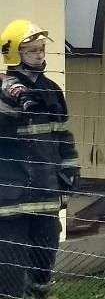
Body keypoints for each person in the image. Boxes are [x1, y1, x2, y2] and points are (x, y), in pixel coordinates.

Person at [0, 20, 79, 299]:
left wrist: (69, 175)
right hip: (9, 199)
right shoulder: (3, 90)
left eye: (41, 49)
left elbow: (63, 138)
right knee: (9, 266)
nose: (39, 55)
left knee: (44, 261)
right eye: (31, 50)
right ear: (13, 54)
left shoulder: (51, 90)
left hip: (46, 192)